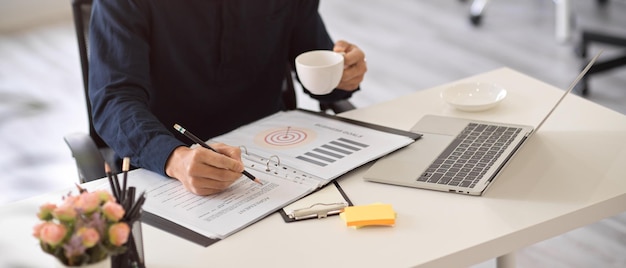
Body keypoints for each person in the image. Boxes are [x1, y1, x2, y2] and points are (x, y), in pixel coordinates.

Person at [89, 0, 367, 195]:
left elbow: (316, 64)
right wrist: (175, 159)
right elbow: (114, 100)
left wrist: (343, 74)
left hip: (275, 157)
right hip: (166, 166)